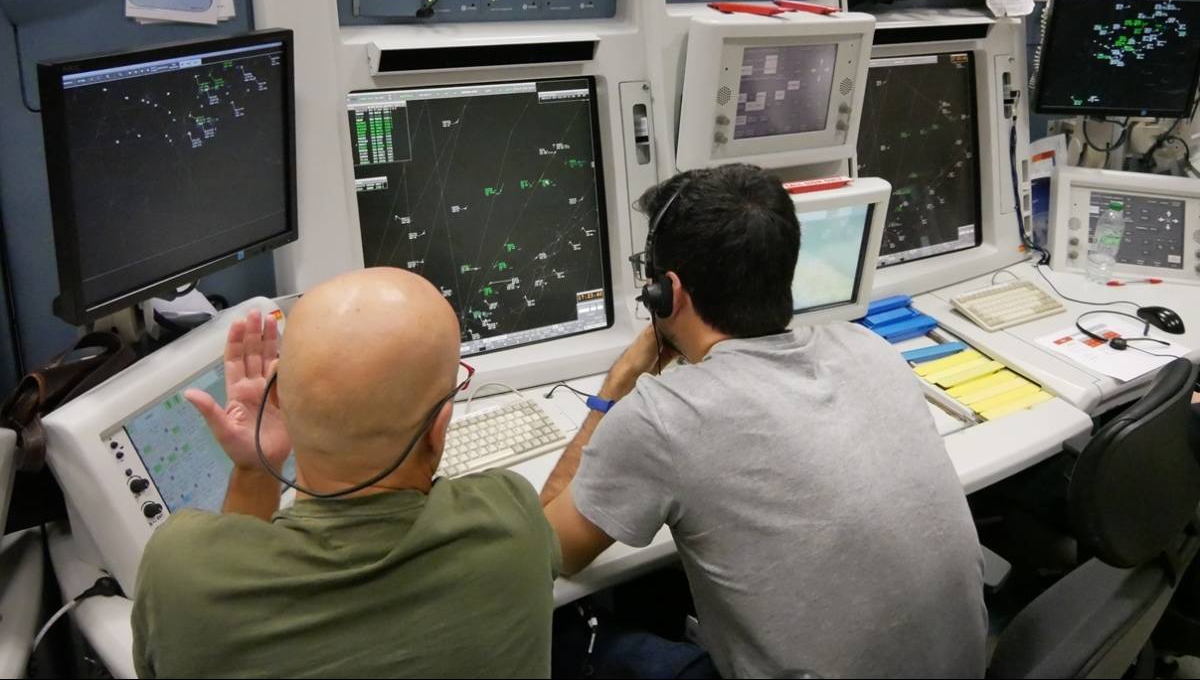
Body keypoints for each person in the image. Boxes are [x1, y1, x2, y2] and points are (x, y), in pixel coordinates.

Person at [541, 164, 987, 679]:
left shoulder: (665, 417)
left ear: (668, 293)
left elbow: (549, 551)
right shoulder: (871, 349)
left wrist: (618, 383)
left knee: (570, 636)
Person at [132, 268, 560, 678]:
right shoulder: (511, 521)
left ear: (276, 398)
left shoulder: (178, 573)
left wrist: (256, 469)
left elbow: (226, 578)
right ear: (439, 426)